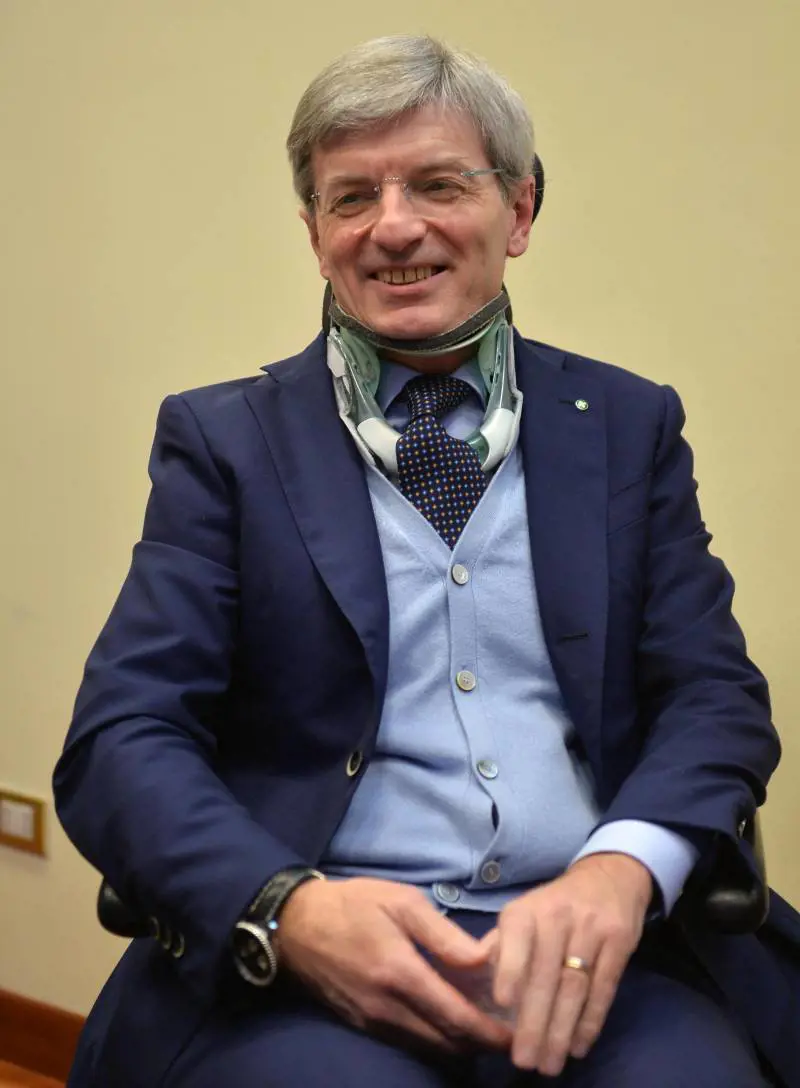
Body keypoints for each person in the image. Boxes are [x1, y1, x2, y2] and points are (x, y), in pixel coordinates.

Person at [54, 34, 800, 1088]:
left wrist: (623, 868)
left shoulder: (629, 425)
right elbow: (121, 738)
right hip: (313, 963)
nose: (394, 226)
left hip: (599, 947)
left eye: (439, 185)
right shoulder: (222, 443)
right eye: (352, 197)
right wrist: (285, 907)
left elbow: (712, 697)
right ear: (315, 234)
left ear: (520, 210)